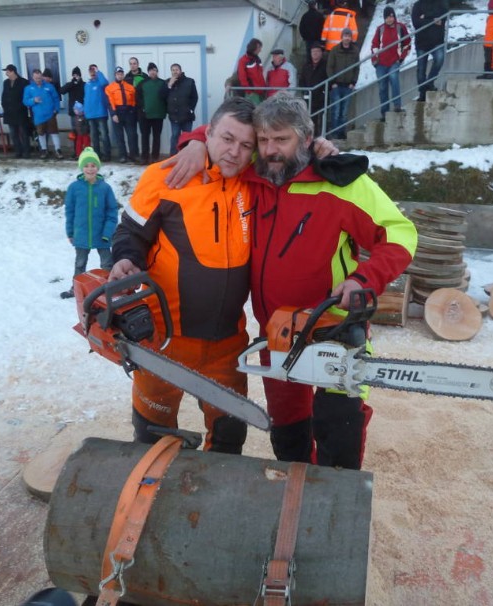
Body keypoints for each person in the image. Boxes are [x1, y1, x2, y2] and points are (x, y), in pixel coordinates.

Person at [168, 93, 418, 470]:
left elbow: (400, 234)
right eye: (264, 140)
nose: (270, 150)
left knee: (339, 425)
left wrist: (366, 278)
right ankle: (297, 491)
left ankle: (335, 500)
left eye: (281, 140)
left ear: (306, 138)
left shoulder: (342, 182)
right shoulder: (254, 176)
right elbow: (226, 132)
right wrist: (196, 141)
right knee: (287, 431)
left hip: (335, 326)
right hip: (277, 332)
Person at [108, 97, 257, 454]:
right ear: (209, 133)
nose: (235, 151)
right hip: (164, 341)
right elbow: (130, 231)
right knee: (153, 438)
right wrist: (126, 259)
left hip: (227, 343)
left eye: (246, 145)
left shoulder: (257, 183)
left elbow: (289, 145)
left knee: (229, 439)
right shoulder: (166, 175)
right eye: (227, 138)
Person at [60, 146, 118, 299]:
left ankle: (110, 288)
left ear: (97, 167)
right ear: (81, 167)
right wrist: (71, 232)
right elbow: (70, 212)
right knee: (80, 263)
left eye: (93, 165)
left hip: (102, 235)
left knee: (107, 264)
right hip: (82, 233)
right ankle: (76, 289)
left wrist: (108, 232)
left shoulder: (105, 188)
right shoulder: (74, 188)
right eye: (86, 165)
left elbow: (112, 212)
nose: (90, 169)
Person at [372, 6, 411, 117]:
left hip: (394, 61)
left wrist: (402, 57)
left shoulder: (400, 27)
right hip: (381, 63)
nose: (390, 19)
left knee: (394, 78)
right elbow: (374, 45)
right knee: (382, 87)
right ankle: (384, 112)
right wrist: (375, 60)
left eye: (392, 16)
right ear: (384, 18)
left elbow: (407, 43)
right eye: (388, 17)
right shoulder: (380, 29)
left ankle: (397, 105)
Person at [412, 0, 449, 101]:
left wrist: (425, 17)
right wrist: (433, 20)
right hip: (421, 42)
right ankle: (422, 94)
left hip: (437, 41)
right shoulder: (417, 5)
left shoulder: (441, 3)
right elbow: (416, 23)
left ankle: (429, 83)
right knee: (421, 70)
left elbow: (444, 18)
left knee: (440, 58)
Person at [326, 27, 360, 138]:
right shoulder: (335, 50)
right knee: (335, 111)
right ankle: (335, 133)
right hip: (336, 85)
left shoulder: (355, 51)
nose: (347, 38)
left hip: (348, 85)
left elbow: (357, 68)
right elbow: (329, 67)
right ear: (342, 37)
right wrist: (333, 82)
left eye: (349, 36)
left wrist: (353, 82)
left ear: (351, 38)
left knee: (344, 111)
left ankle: (341, 133)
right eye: (345, 36)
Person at [23, 68, 63, 159]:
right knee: (41, 133)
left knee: (54, 132)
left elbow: (56, 98)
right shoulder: (29, 88)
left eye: (40, 77)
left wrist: (56, 109)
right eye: (36, 78)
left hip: (50, 114)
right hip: (38, 115)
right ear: (33, 78)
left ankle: (58, 150)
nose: (38, 80)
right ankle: (44, 150)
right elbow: (25, 101)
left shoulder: (49, 86)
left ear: (42, 77)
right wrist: (33, 100)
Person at [161, 63, 198, 154]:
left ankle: (187, 154)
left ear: (180, 71)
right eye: (173, 70)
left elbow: (195, 97)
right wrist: (169, 85)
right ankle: (173, 155)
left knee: (187, 136)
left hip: (187, 115)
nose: (175, 71)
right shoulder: (167, 82)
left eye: (176, 69)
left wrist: (191, 109)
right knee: (175, 135)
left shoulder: (189, 81)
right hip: (174, 115)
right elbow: (162, 96)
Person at [105, 66, 139, 163]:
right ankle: (122, 156)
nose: (120, 76)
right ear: (115, 75)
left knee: (132, 135)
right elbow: (110, 102)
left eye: (121, 74)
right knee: (119, 136)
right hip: (117, 113)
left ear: (123, 75)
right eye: (118, 74)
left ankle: (134, 155)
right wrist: (113, 114)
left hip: (129, 113)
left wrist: (133, 111)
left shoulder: (130, 87)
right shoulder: (109, 88)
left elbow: (133, 100)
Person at [136, 62, 166, 164]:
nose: (152, 72)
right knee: (145, 136)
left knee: (156, 136)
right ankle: (144, 157)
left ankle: (155, 157)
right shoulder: (142, 84)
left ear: (157, 71)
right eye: (150, 70)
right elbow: (137, 98)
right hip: (145, 116)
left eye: (154, 70)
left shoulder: (163, 83)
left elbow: (166, 97)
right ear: (148, 72)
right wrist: (143, 108)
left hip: (158, 115)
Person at [1, 64, 31, 159]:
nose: (6, 73)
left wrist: (21, 106)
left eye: (7, 71)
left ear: (13, 71)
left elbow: (26, 96)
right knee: (13, 133)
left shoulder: (24, 82)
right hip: (9, 112)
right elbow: (4, 96)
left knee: (23, 133)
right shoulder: (6, 82)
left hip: (20, 112)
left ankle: (26, 152)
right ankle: (18, 151)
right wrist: (4, 106)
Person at [84, 64, 112, 161]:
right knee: (94, 137)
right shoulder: (87, 84)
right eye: (91, 70)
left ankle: (107, 154)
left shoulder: (100, 83)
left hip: (100, 113)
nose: (92, 72)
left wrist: (98, 72)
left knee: (104, 135)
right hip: (90, 115)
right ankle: (97, 155)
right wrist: (85, 112)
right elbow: (86, 99)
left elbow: (105, 83)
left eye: (94, 70)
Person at [300, 41, 329, 136]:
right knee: (310, 118)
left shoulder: (325, 65)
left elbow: (329, 78)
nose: (315, 53)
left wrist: (325, 91)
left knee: (323, 116)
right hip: (309, 96)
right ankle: (312, 135)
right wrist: (304, 91)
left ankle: (324, 135)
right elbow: (302, 79)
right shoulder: (306, 65)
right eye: (313, 51)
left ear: (321, 53)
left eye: (317, 51)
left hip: (321, 95)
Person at [236, 38, 266, 104]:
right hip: (252, 94)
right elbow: (242, 78)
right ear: (253, 47)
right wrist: (249, 91)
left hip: (261, 92)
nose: (260, 50)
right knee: (254, 112)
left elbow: (260, 75)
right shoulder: (243, 60)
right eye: (259, 47)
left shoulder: (257, 59)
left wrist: (264, 88)